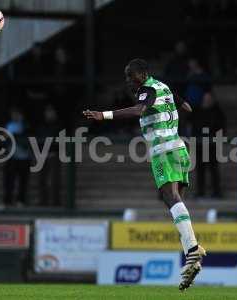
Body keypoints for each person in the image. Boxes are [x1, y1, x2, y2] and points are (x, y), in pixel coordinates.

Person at [83, 59, 206, 291]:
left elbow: (139, 109)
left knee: (170, 199)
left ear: (143, 73)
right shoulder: (164, 87)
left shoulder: (147, 89)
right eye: (127, 76)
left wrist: (104, 115)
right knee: (176, 203)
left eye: (132, 76)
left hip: (163, 150)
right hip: (179, 147)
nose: (129, 81)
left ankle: (192, 249)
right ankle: (191, 254)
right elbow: (187, 107)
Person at [192, 93, 226, 198]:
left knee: (213, 169)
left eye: (209, 99)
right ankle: (200, 191)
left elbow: (221, 126)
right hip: (199, 145)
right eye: (205, 99)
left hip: (212, 145)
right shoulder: (197, 111)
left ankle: (216, 191)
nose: (207, 101)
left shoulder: (217, 112)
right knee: (200, 170)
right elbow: (193, 125)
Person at [2, 107, 32, 208]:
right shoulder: (9, 125)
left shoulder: (26, 125)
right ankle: (7, 201)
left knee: (23, 180)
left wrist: (16, 136)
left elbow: (28, 139)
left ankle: (21, 200)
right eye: (13, 114)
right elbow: (4, 139)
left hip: (24, 157)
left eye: (17, 114)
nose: (14, 116)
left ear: (21, 115)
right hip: (11, 157)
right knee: (9, 180)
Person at [36, 104, 62, 206]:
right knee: (41, 180)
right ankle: (43, 201)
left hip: (53, 155)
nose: (49, 114)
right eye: (47, 112)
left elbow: (61, 140)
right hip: (42, 155)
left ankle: (56, 202)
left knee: (55, 180)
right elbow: (37, 139)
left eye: (51, 112)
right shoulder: (41, 125)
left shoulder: (59, 125)